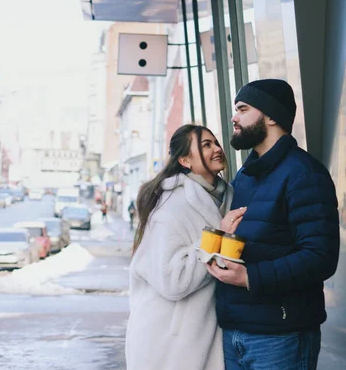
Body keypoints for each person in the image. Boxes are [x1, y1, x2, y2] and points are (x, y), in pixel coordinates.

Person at [205, 79, 340, 370]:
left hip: (281, 336)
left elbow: (320, 257)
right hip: (234, 330)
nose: (234, 117)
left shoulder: (305, 175)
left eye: (243, 109)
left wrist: (250, 277)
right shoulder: (245, 176)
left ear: (271, 115)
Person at [126, 124, 246, 370]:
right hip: (168, 340)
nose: (216, 149)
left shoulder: (227, 197)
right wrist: (219, 235)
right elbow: (173, 280)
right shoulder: (172, 204)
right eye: (205, 145)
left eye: (215, 142)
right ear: (184, 160)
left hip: (207, 334)